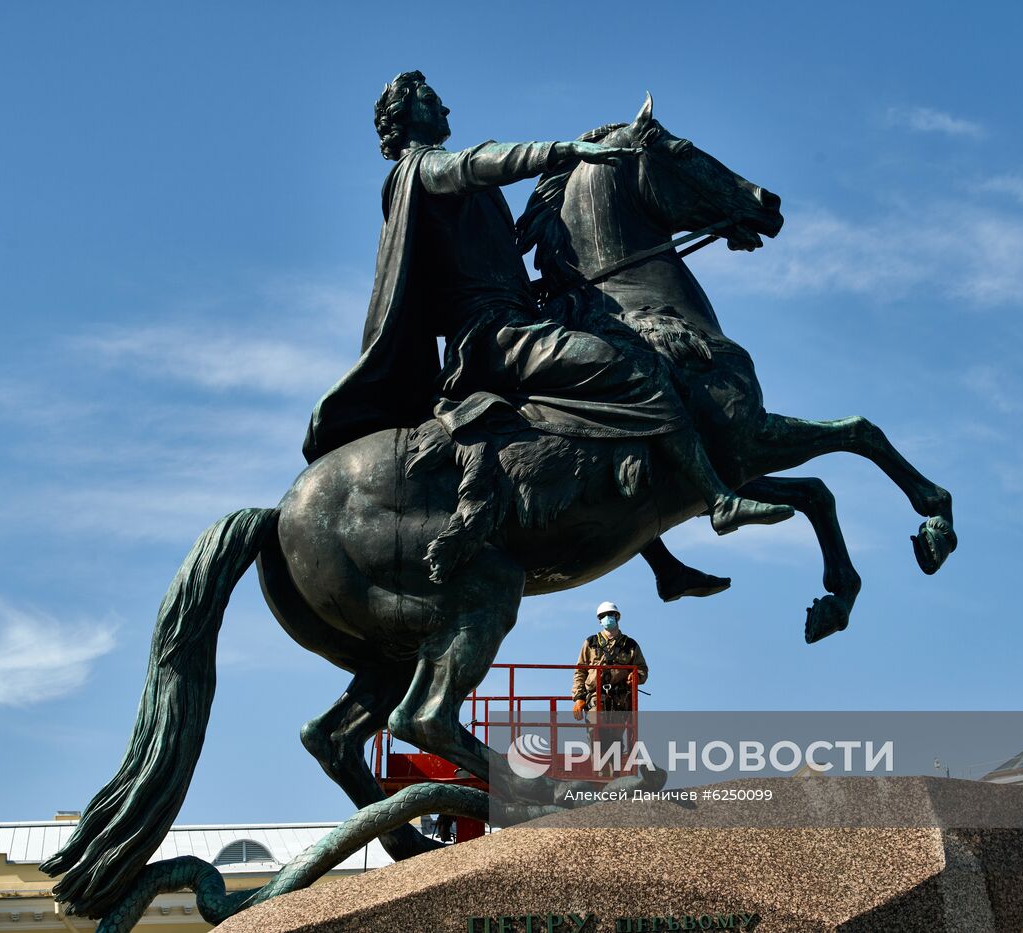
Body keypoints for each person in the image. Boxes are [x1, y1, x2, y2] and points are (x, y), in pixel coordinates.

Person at [302, 71, 792, 581]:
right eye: (431, 100)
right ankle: (719, 501)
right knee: (634, 369)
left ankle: (663, 563)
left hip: (511, 320)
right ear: (405, 117)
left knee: (602, 392)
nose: (445, 109)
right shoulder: (423, 168)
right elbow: (477, 163)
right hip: (494, 337)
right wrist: (563, 150)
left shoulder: (443, 181)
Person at [572, 601, 647, 776]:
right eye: (603, 616)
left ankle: (614, 773)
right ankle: (599, 771)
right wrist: (578, 698)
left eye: (610, 615)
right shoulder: (591, 642)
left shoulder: (630, 645)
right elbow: (580, 671)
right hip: (595, 697)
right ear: (599, 620)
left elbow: (642, 669)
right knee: (595, 730)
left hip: (619, 700)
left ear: (617, 617)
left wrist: (636, 676)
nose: (607, 619)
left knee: (615, 736)